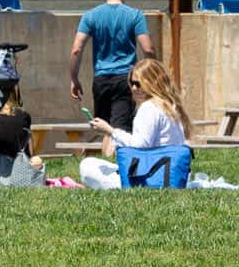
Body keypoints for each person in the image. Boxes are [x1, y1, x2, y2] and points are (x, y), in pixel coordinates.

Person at [81, 58, 192, 189]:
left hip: (149, 178)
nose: (133, 88)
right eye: (131, 83)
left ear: (153, 82)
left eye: (138, 84)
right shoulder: (171, 105)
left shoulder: (149, 108)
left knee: (87, 165)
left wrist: (110, 131)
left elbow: (139, 146)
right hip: (170, 174)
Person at [70, 0, 154, 133]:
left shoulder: (90, 16)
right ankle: (116, 157)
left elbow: (76, 49)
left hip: (101, 79)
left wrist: (74, 79)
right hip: (126, 79)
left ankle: (107, 156)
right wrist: (152, 74)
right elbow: (148, 49)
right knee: (120, 130)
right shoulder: (135, 15)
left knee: (104, 129)